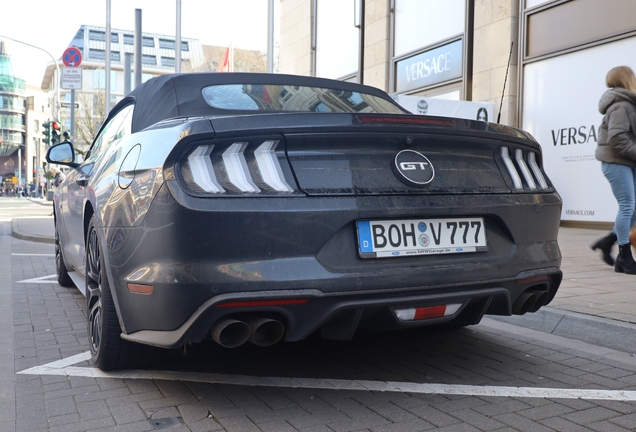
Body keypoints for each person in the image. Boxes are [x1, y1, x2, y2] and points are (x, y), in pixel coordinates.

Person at [593, 66, 636, 274]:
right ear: (627, 79)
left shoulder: (628, 103)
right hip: (616, 161)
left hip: (628, 161)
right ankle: (625, 257)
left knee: (634, 209)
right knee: (627, 205)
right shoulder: (620, 105)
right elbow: (618, 139)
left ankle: (609, 240)